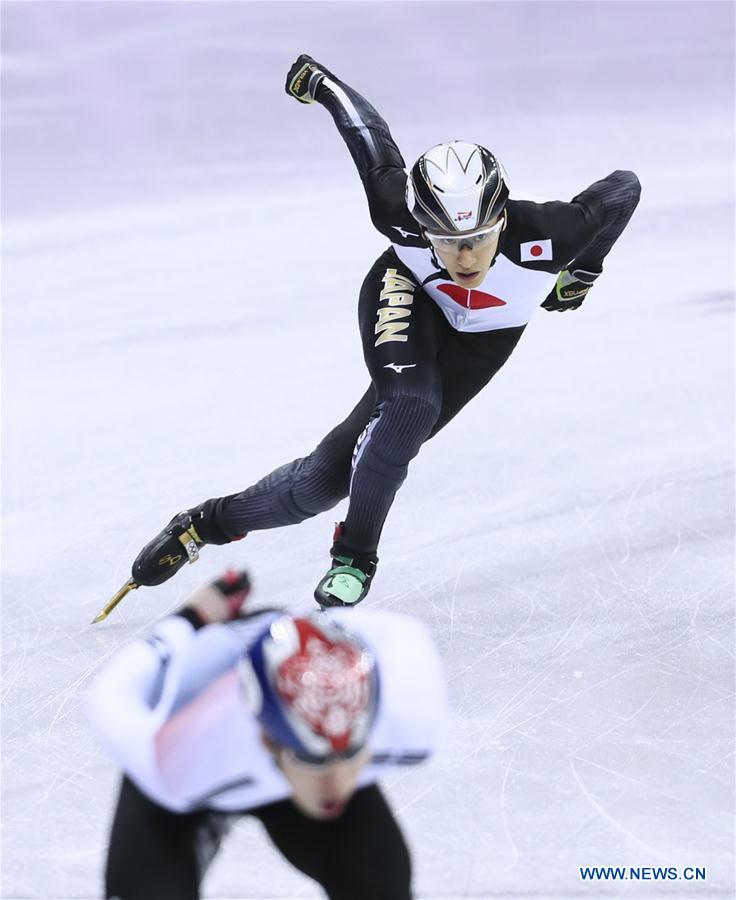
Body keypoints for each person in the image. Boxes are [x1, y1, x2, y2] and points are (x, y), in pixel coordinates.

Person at [125, 54, 641, 609]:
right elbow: (370, 137)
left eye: (478, 239)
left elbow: (622, 189)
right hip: (407, 294)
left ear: (504, 222)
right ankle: (356, 557)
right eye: (444, 239)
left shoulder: (554, 232)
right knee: (411, 405)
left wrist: (586, 267)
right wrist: (321, 84)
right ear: (420, 222)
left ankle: (203, 524)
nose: (464, 256)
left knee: (319, 485)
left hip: (484, 340)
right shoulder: (393, 209)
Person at [86, 570, 446, 900]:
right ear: (267, 741)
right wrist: (190, 619)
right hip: (207, 755)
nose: (336, 783)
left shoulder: (404, 713)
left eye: (351, 753)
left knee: (381, 888)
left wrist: (316, 627)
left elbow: (372, 630)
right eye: (313, 758)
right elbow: (112, 693)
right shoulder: (180, 753)